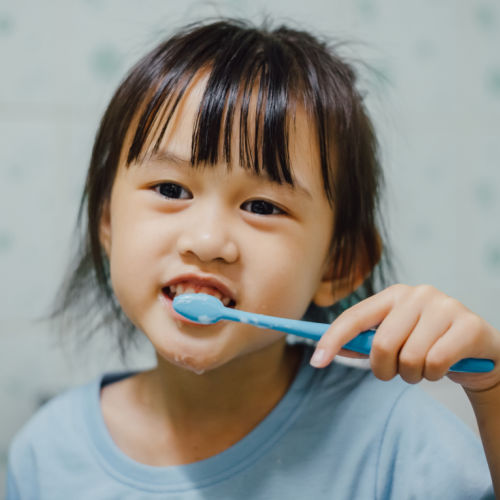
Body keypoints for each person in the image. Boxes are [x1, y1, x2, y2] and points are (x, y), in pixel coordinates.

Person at [6, 18, 499, 499]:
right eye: (171, 189)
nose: (206, 240)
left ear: (338, 265)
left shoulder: (398, 442)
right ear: (107, 222)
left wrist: (494, 392)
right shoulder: (48, 453)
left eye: (262, 206)